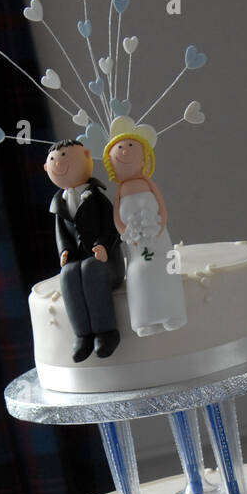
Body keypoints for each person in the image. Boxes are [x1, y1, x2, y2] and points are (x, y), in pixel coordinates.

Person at [102, 125, 187, 337]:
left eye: (130, 146)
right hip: (135, 244)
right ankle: (144, 319)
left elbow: (162, 207)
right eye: (119, 148)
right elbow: (116, 218)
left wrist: (159, 227)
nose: (124, 151)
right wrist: (125, 232)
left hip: (158, 237)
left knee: (164, 269)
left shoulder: (148, 183)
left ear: (144, 157)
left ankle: (172, 313)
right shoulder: (120, 191)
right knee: (140, 274)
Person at [44, 140, 124, 362]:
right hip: (77, 262)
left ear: (87, 156)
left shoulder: (97, 196)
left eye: (64, 156)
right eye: (53, 159)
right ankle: (82, 335)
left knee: (91, 268)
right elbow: (62, 234)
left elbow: (112, 227)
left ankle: (106, 332)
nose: (59, 162)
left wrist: (103, 246)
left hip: (106, 263)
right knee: (67, 274)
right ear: (46, 168)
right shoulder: (59, 203)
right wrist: (65, 251)